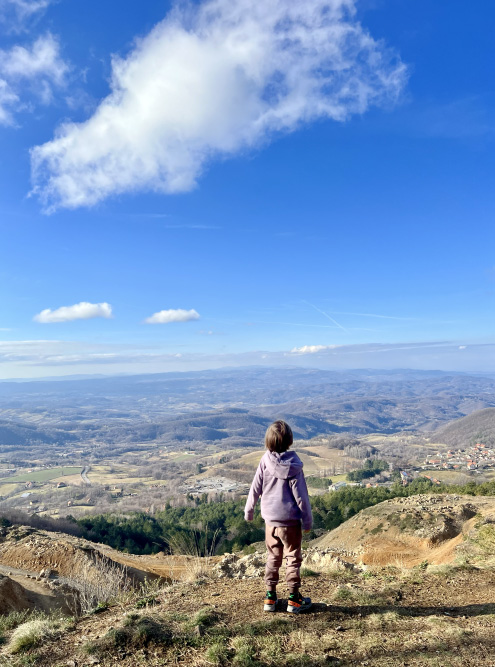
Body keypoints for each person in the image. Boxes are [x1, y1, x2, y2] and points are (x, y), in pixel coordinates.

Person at [244, 420, 313, 613]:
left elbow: (255, 487)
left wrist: (249, 510)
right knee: (292, 558)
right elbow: (302, 497)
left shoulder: (265, 460)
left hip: (270, 522)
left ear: (268, 442)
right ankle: (293, 599)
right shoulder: (294, 466)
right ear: (290, 441)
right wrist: (307, 520)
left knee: (273, 557)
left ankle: (270, 598)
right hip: (290, 523)